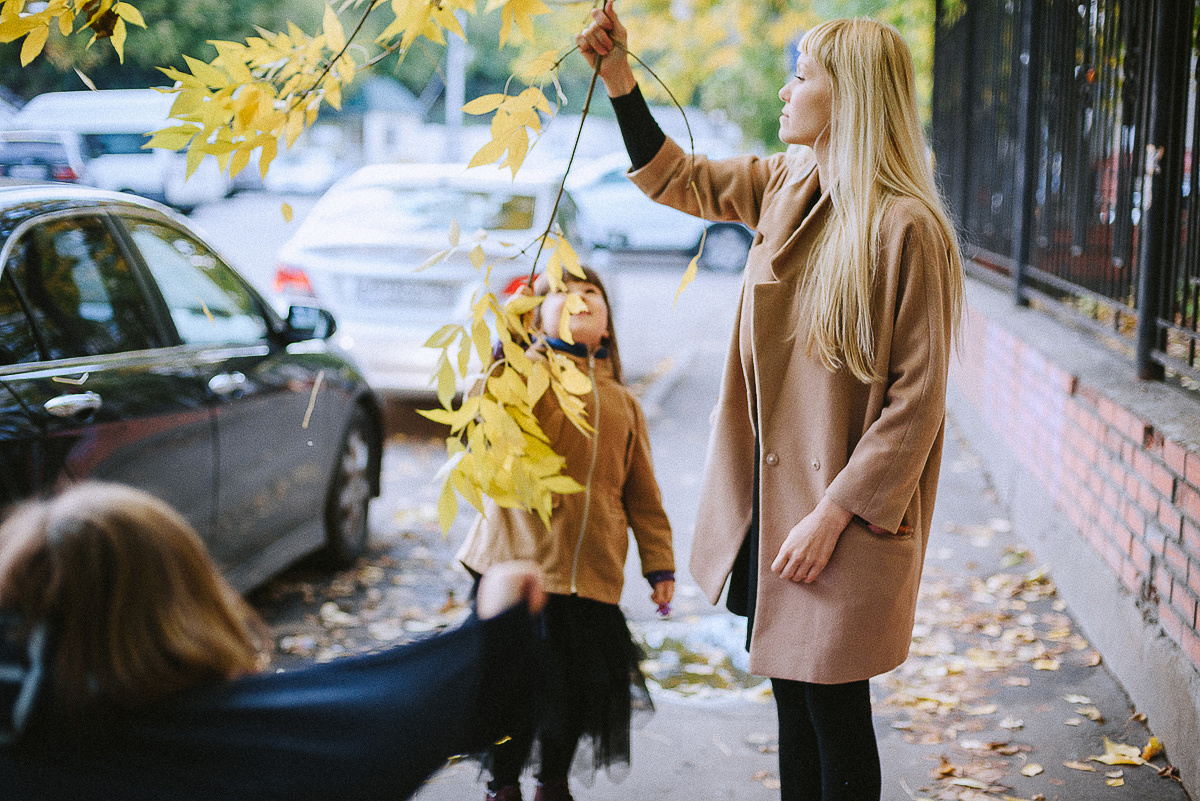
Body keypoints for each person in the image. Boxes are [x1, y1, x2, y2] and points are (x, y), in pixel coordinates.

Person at [577, 6, 964, 800]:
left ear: (849, 95)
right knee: (793, 697)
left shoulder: (908, 228)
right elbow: (679, 178)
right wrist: (619, 80)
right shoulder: (789, 181)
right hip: (773, 502)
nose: (786, 91)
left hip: (844, 515)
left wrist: (835, 514)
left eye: (801, 75)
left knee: (835, 710)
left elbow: (917, 403)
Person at [0, 480, 547, 801]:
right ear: (189, 601)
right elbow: (409, 709)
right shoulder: (255, 753)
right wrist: (493, 628)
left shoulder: (27, 749)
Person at [456, 265, 676, 801]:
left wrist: (658, 563)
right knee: (513, 690)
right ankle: (502, 785)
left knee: (576, 695)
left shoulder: (625, 404)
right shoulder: (524, 379)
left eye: (591, 291)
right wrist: (511, 346)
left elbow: (642, 494)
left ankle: (551, 783)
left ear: (608, 328)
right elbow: (482, 420)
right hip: (520, 571)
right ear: (537, 318)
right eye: (563, 291)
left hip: (592, 579)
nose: (579, 297)